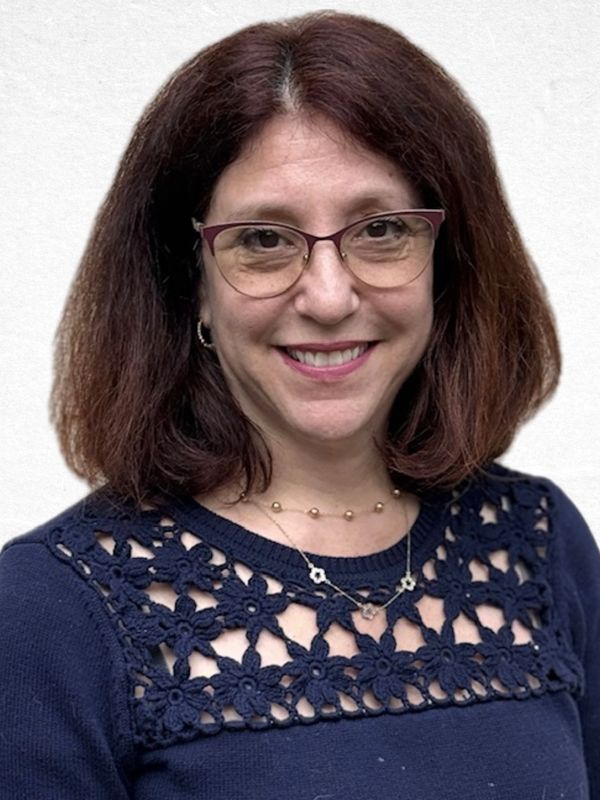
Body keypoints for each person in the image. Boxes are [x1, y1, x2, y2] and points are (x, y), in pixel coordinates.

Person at [0, 10, 598, 799]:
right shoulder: (51, 609)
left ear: (445, 265)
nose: (328, 296)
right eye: (263, 239)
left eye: (381, 229)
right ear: (192, 283)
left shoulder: (538, 546)